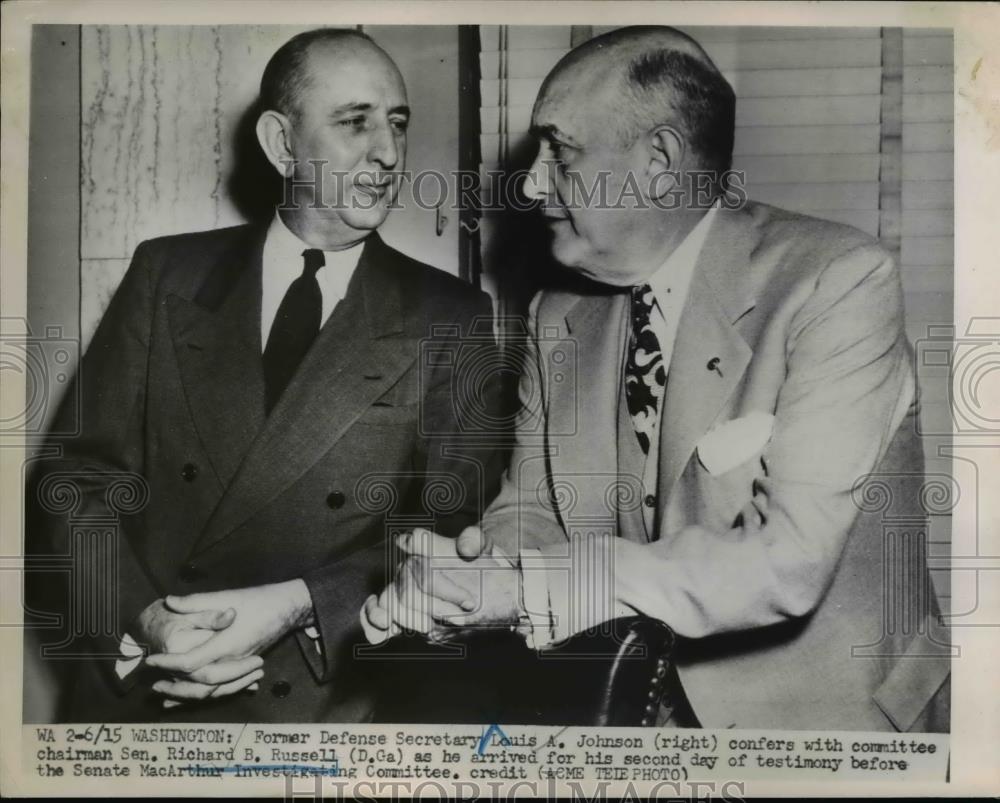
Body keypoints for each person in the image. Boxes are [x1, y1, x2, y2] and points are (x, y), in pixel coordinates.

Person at [363, 25, 951, 732]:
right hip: (634, 716)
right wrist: (470, 576)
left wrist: (525, 590)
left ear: (660, 162)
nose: (529, 181)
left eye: (561, 150)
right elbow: (534, 510)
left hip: (831, 728)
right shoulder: (560, 311)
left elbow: (786, 561)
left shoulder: (839, 282)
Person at [26, 27, 505, 722]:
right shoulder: (166, 275)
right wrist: (148, 619)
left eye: (397, 122)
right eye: (355, 122)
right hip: (145, 687)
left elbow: (448, 519)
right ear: (281, 143)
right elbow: (75, 478)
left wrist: (301, 602)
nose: (389, 152)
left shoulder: (451, 315)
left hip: (321, 698)